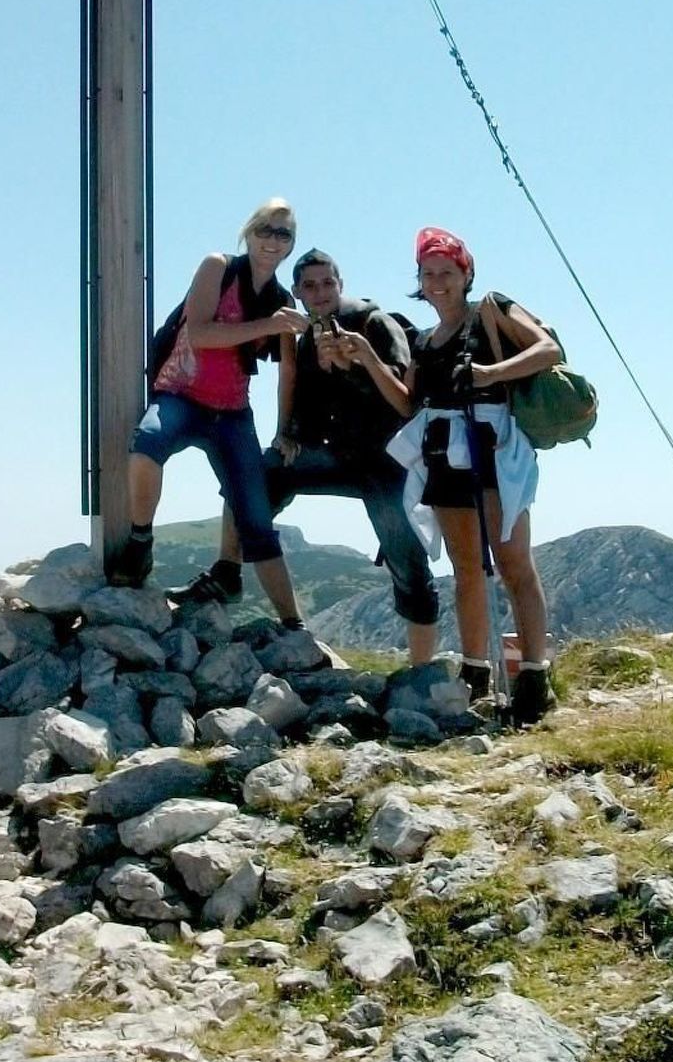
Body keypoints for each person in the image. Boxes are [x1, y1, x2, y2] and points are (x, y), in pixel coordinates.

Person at [175, 247, 444, 664]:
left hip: (386, 463)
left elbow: (405, 402)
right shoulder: (305, 342)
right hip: (334, 456)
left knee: (406, 560)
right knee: (251, 477)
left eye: (327, 283)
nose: (320, 292)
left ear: (341, 285)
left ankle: (421, 673)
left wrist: (360, 363)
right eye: (309, 285)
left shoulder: (374, 323)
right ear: (297, 293)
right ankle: (229, 571)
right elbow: (305, 405)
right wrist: (288, 437)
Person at [347, 226, 561, 726]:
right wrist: (369, 359)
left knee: (513, 565)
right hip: (446, 453)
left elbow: (546, 350)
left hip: (491, 451)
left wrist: (488, 375)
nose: (438, 281)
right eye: (429, 273)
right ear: (419, 281)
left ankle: (534, 676)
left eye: (447, 272)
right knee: (468, 568)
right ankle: (477, 673)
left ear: (466, 274)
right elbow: (408, 402)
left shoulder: (492, 309)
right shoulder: (425, 341)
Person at [107, 199, 310, 627]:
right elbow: (199, 333)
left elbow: (287, 373)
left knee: (256, 517)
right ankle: (141, 541)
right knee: (148, 443)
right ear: (249, 232)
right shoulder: (218, 268)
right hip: (181, 394)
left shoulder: (281, 300)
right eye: (266, 230)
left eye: (283, 234)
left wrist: (283, 430)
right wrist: (269, 326)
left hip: (232, 412)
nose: (273, 241)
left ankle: (294, 626)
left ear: (291, 244)